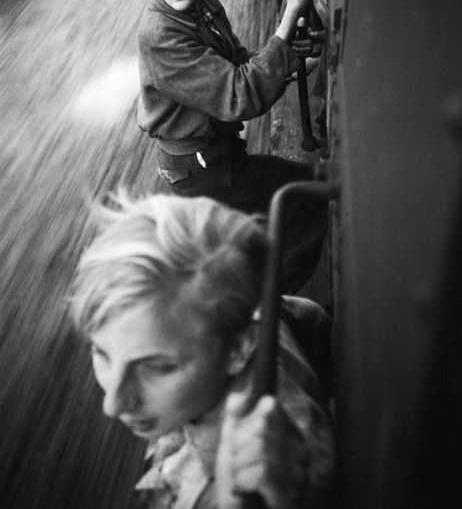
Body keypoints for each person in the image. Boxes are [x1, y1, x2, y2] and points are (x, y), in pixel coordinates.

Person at [70, 192, 334, 508]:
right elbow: (301, 314)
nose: (112, 405)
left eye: (158, 367)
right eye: (101, 353)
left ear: (239, 348)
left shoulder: (279, 465)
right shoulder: (234, 316)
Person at [129, 0, 327, 292]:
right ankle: (271, 308)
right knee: (304, 198)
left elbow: (237, 64)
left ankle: (262, 299)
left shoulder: (202, 3)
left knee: (268, 228)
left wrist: (290, 61)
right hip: (203, 171)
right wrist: (290, 12)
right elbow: (240, 96)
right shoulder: (160, 34)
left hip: (222, 155)